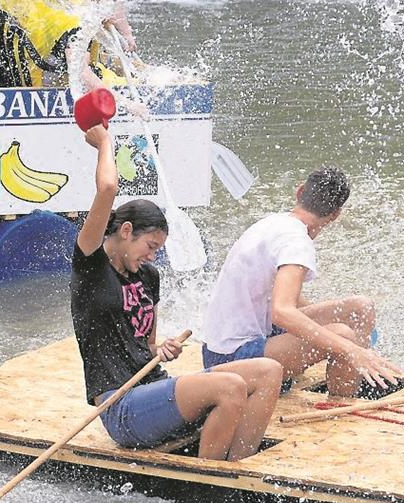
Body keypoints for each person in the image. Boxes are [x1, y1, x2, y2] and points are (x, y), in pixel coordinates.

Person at [72, 123, 282, 460]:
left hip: (153, 388)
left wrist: (161, 349)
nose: (153, 256)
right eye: (150, 246)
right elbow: (108, 187)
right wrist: (104, 142)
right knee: (231, 388)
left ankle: (237, 466)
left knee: (268, 371)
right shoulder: (91, 267)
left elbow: (147, 346)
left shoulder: (149, 277)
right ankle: (208, 480)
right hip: (121, 407)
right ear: (126, 231)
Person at [201, 168, 400, 397]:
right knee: (344, 336)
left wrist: (328, 332)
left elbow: (290, 301)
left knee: (360, 307)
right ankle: (341, 405)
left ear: (299, 192)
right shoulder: (296, 243)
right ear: (335, 214)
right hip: (230, 358)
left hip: (229, 344)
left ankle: (358, 376)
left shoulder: (274, 223)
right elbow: (282, 312)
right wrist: (351, 349)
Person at [0, 0, 138, 89]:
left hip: (28, 53)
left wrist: (126, 34)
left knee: (129, 72)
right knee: (124, 84)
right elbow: (81, 72)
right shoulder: (78, 17)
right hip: (42, 79)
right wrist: (129, 105)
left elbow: (114, 7)